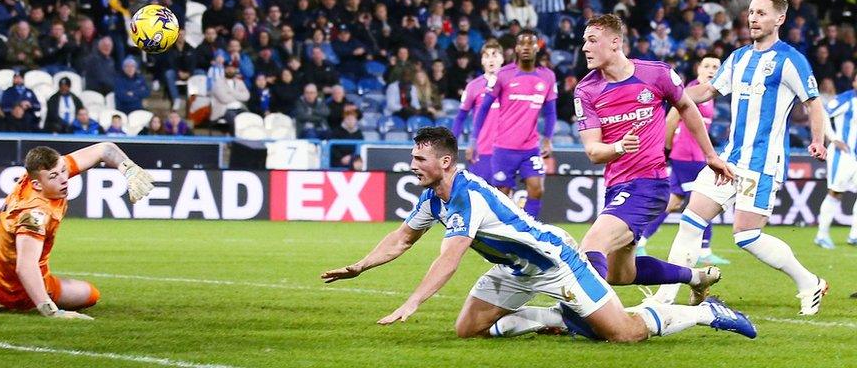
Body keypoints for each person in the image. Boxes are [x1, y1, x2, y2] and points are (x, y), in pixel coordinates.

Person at [320, 127, 756, 342]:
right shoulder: (434, 197)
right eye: (412, 157)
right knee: (467, 331)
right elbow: (401, 239)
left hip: (556, 263)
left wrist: (411, 303)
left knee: (624, 334)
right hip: (514, 269)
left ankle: (706, 313)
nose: (413, 164)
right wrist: (358, 267)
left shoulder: (468, 196)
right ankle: (558, 317)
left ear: (446, 162)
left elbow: (448, 259)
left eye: (419, 159)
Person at [655, 0, 829, 315]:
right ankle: (664, 298)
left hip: (762, 162)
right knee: (691, 222)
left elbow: (813, 102)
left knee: (746, 235)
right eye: (751, 12)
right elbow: (707, 90)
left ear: (780, 19)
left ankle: (809, 282)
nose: (753, 18)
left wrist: (818, 139)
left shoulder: (790, 59)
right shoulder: (738, 58)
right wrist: (670, 93)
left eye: (761, 13)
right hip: (729, 158)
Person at [573, 14, 730, 302]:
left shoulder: (656, 74)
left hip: (649, 184)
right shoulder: (586, 90)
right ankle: (696, 277)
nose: (585, 47)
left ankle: (588, 317)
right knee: (621, 274)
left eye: (592, 40)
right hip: (616, 186)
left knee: (592, 244)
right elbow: (594, 151)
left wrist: (711, 155)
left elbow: (686, 105)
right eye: (584, 41)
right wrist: (619, 147)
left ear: (615, 42)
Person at [0, 143, 154, 318]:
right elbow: (25, 267)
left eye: (63, 170)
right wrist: (51, 311)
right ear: (36, 185)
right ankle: (5, 298)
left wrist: (129, 170)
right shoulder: (34, 213)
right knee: (90, 294)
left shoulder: (42, 176)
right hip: (14, 288)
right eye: (54, 176)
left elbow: (104, 149)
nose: (64, 178)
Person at [637, 57, 730, 265]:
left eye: (716, 67)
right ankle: (705, 250)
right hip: (688, 156)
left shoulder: (710, 94)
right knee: (706, 199)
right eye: (706, 66)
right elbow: (671, 119)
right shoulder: (693, 90)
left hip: (690, 155)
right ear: (698, 69)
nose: (711, 70)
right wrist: (666, 149)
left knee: (673, 202)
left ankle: (639, 240)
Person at [469, 31, 555, 218]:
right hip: (503, 148)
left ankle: (528, 232)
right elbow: (483, 109)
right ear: (516, 48)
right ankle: (502, 237)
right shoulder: (503, 75)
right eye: (522, 44)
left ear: (536, 47)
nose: (525, 47)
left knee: (537, 189)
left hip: (530, 147)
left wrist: (548, 139)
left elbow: (550, 111)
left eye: (530, 43)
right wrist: (474, 139)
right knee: (501, 197)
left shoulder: (547, 76)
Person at [452, 39, 503, 183]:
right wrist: (451, 144)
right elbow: (460, 117)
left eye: (494, 55)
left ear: (502, 58)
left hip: (505, 151)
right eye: (487, 56)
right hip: (482, 151)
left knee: (505, 200)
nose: (491, 59)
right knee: (478, 199)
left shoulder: (511, 85)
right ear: (482, 61)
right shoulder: (473, 86)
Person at [814, 77, 857, 249]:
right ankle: (821, 235)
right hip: (843, 155)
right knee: (835, 193)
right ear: (853, 82)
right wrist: (833, 138)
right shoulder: (846, 99)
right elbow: (821, 112)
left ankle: (854, 235)